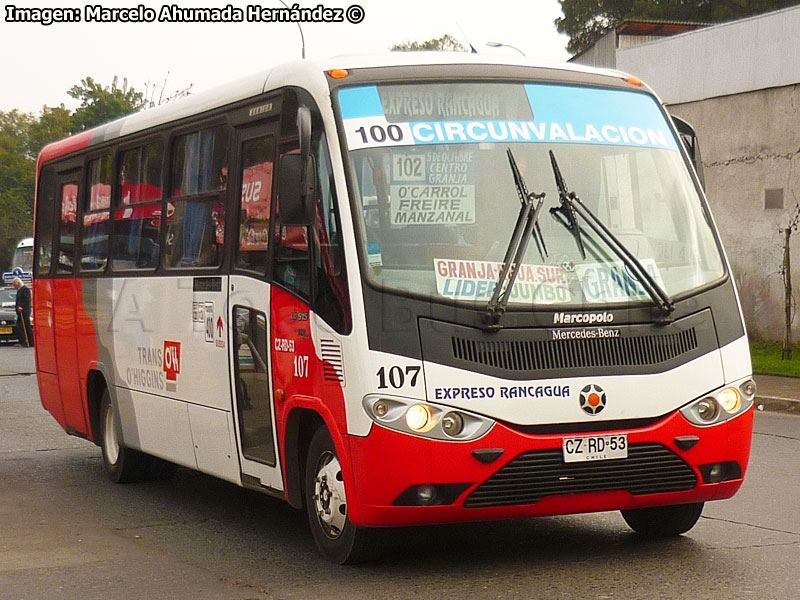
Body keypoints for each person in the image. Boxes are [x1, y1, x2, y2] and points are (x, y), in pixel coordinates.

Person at [12, 277, 33, 348]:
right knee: (19, 326)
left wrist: (21, 306)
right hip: (20, 312)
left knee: (26, 326)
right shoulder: (19, 290)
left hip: (25, 311)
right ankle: (23, 341)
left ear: (18, 283)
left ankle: (30, 342)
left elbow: (27, 300)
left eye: (14, 284)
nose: (14, 286)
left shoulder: (25, 290)